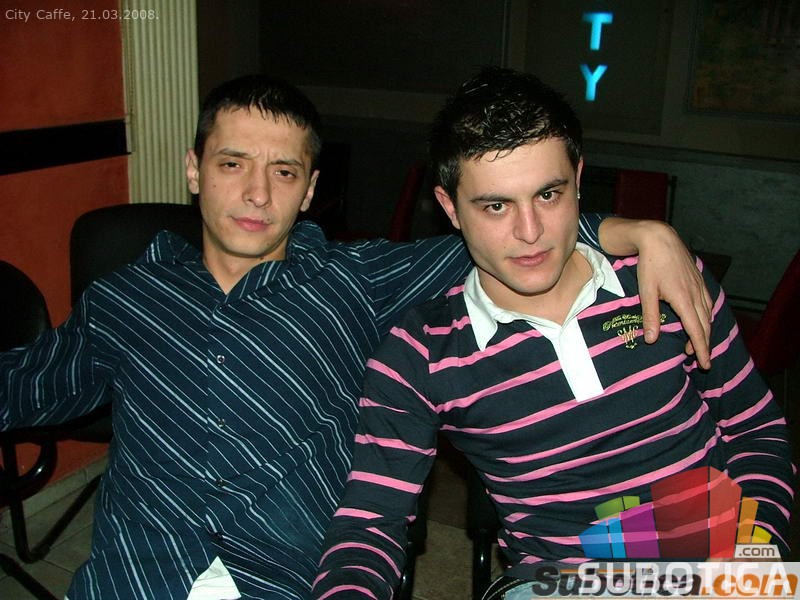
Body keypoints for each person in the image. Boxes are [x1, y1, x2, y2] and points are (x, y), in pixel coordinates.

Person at [1, 74, 712, 600]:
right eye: (232, 164)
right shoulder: (124, 299)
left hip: (288, 578)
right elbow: (26, 385)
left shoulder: (356, 280)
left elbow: (511, 230)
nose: (257, 194)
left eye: (283, 172)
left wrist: (638, 230)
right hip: (136, 577)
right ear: (194, 169)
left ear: (310, 190)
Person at [311, 67, 794, 600]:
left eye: (548, 194)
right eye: (496, 205)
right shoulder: (422, 353)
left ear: (578, 179)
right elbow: (370, 523)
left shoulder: (666, 279)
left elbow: (756, 430)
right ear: (449, 207)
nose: (530, 231)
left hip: (719, 560)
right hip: (565, 584)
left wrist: (754, 555)